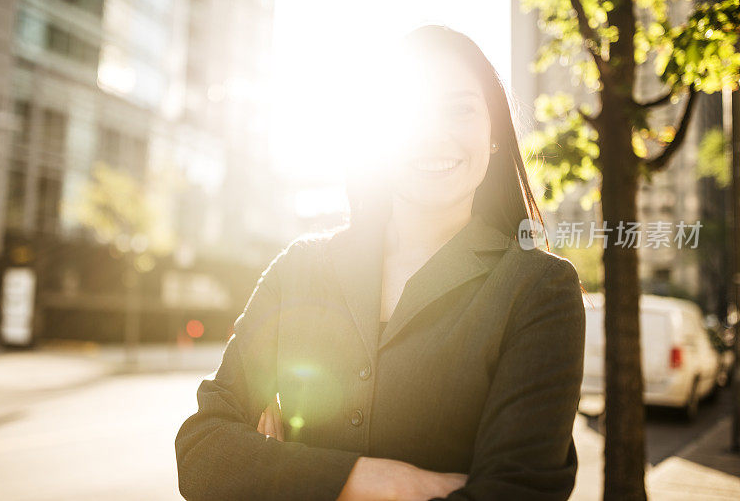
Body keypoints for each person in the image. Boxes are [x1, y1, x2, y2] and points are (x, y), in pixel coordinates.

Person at [175, 25, 586, 501]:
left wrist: (282, 475)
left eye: (461, 110)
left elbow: (518, 491)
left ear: (494, 135)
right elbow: (202, 451)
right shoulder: (298, 270)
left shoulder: (539, 289)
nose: (435, 136)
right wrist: (374, 480)